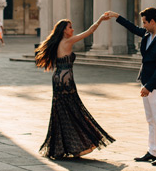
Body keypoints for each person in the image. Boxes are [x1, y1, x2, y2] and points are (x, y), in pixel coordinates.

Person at [35, 15, 115, 159]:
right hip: (66, 80)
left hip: (58, 78)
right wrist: (100, 19)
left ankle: (65, 146)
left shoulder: (58, 42)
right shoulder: (68, 41)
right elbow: (89, 31)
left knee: (61, 112)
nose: (72, 30)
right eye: (70, 27)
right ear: (64, 31)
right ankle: (78, 144)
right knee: (74, 111)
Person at [106, 8, 156, 166]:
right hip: (146, 81)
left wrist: (149, 86)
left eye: (144, 22)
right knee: (150, 119)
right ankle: (152, 151)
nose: (143, 25)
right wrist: (117, 17)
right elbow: (133, 28)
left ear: (152, 22)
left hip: (155, 85)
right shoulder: (148, 35)